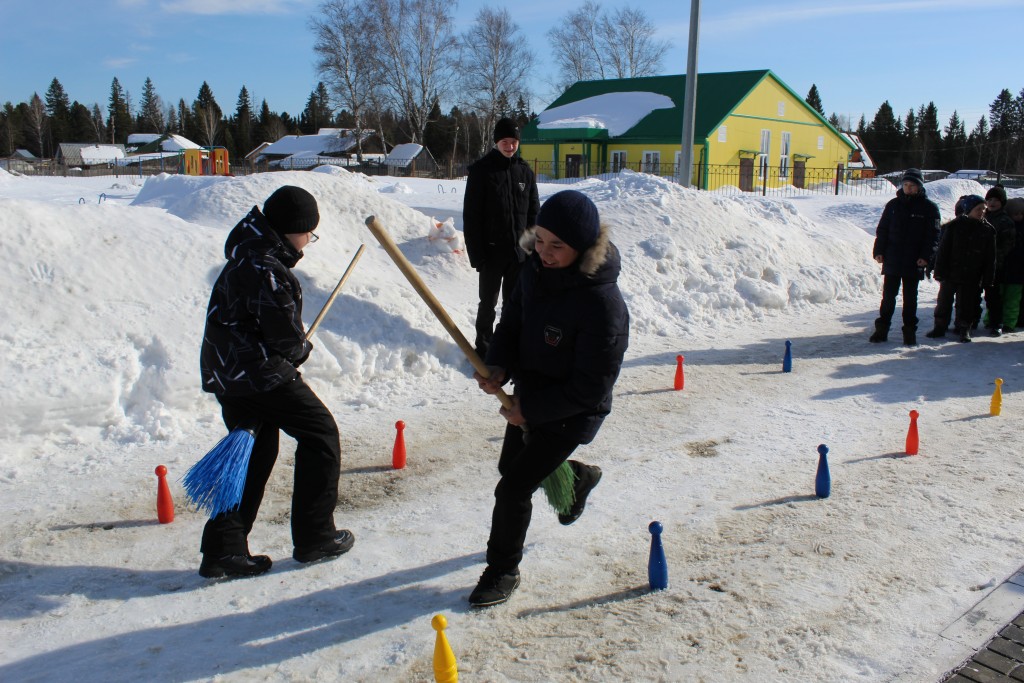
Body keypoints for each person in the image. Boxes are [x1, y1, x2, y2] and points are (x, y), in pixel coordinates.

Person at [469, 189, 629, 608]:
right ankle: (576, 478)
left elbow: (592, 387)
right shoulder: (533, 271)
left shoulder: (603, 305)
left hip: (573, 411)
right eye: (539, 239)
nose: (543, 251)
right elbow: (512, 323)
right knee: (510, 468)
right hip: (533, 393)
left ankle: (502, 569)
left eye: (557, 245)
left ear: (584, 247)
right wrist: (499, 365)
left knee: (512, 488)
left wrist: (531, 410)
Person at [198, 185, 354, 579]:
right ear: (294, 229)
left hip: (227, 371)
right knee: (320, 434)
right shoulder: (266, 269)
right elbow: (285, 340)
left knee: (251, 451)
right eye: (309, 234)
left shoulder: (246, 254)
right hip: (257, 374)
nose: (308, 242)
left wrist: (291, 346)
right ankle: (316, 536)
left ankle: (223, 550)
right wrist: (301, 348)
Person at [463, 117, 540, 357]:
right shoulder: (481, 171)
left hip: (519, 254)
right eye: (505, 141)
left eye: (514, 141)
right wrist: (477, 255)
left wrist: (530, 250)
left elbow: (533, 215)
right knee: (488, 303)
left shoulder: (525, 172)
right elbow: (472, 217)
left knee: (513, 304)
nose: (510, 146)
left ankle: (508, 346)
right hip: (491, 253)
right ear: (496, 142)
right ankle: (484, 348)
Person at [869, 168, 941, 346]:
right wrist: (879, 251)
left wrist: (926, 256)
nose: (908, 188)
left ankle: (909, 332)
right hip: (893, 258)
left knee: (910, 298)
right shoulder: (893, 205)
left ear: (920, 186)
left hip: (914, 260)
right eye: (906, 184)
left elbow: (933, 236)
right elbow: (883, 230)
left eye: (912, 185)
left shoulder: (929, 208)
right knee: (888, 296)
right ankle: (881, 329)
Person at [930, 195, 996, 343]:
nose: (981, 212)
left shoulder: (987, 230)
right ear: (968, 210)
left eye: (983, 209)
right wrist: (939, 271)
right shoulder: (954, 226)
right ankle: (940, 326)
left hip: (972, 274)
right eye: (978, 209)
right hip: (951, 271)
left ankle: (964, 328)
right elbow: (943, 251)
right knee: (944, 302)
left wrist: (988, 277)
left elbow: (990, 257)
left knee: (967, 303)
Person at [981, 185, 1016, 335]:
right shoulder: (981, 217)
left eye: (996, 200)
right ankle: (969, 322)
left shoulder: (1005, 221)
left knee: (993, 296)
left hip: (995, 265)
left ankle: (996, 323)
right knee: (971, 296)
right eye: (989, 200)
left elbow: (1007, 245)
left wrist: (993, 259)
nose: (992, 203)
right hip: (977, 263)